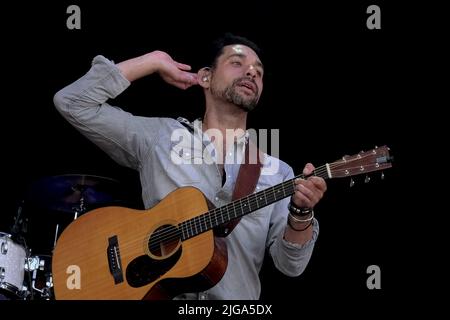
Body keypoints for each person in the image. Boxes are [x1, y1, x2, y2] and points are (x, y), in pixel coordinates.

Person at [53, 33, 327, 300]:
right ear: (205, 77)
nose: (252, 72)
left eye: (259, 71)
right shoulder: (160, 138)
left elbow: (291, 266)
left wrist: (301, 215)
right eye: (237, 63)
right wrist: (153, 60)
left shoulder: (276, 171)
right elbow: (72, 102)